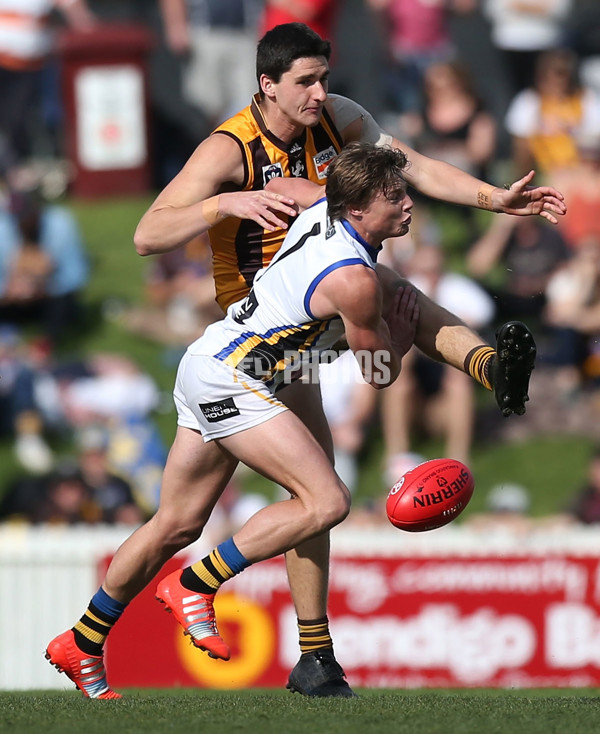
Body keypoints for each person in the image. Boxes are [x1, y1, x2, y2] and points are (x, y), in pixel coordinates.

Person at [50, 23, 557, 699]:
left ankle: (82, 639)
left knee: (182, 520)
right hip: (257, 340)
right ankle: (294, 643)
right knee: (319, 497)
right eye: (306, 83)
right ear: (267, 86)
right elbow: (147, 234)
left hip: (274, 343)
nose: (322, 93)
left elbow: (411, 165)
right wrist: (222, 202)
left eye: (325, 77)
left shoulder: (340, 124)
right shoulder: (230, 147)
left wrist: (495, 200)